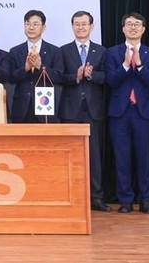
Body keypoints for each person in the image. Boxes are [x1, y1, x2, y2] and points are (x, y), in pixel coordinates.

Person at [105, 12, 149, 214]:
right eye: (129, 24)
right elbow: (111, 81)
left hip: (143, 113)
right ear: (123, 29)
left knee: (145, 157)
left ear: (144, 29)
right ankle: (126, 201)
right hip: (119, 113)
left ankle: (146, 200)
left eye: (137, 24)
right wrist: (124, 65)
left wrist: (138, 65)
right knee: (122, 158)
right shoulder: (112, 53)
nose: (133, 27)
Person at [58, 11, 111, 212]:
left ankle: (96, 197)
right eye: (77, 24)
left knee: (94, 156)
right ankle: (72, 196)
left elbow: (107, 77)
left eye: (84, 24)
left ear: (92, 27)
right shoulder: (63, 51)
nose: (80, 28)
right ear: (72, 27)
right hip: (70, 110)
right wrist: (76, 76)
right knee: (71, 156)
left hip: (94, 110)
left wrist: (91, 75)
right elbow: (59, 76)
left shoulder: (101, 51)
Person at [8, 10, 64, 123]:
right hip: (22, 108)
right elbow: (11, 78)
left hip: (45, 107)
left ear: (43, 27)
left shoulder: (54, 51)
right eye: (27, 24)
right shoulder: (15, 51)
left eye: (35, 24)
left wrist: (40, 66)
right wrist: (25, 68)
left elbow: (59, 77)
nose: (31, 27)